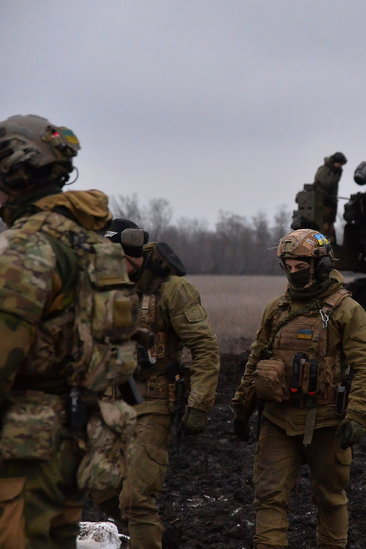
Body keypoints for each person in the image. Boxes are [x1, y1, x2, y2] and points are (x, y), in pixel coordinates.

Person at [0, 114, 140, 548]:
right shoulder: (93, 246)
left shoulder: (26, 249)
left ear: (15, 170)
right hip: (75, 438)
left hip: (21, 451)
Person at [231, 228, 366, 549]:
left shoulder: (347, 311)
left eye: (301, 266)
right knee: (269, 497)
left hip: (327, 424)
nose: (294, 274)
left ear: (321, 265)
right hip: (277, 421)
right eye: (289, 267)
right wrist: (242, 407)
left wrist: (358, 416)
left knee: (330, 498)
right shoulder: (277, 309)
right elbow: (257, 357)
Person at [92, 218, 221, 549]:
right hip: (110, 403)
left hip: (153, 402)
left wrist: (199, 403)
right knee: (102, 488)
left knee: (135, 496)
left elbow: (205, 349)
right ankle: (148, 539)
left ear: (131, 254)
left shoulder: (172, 289)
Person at [314, 152, 347, 243]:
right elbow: (328, 184)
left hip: (330, 206)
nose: (340, 166)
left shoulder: (333, 171)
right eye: (339, 164)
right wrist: (337, 175)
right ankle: (323, 246)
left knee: (329, 228)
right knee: (323, 228)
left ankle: (331, 248)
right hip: (322, 205)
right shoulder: (323, 170)